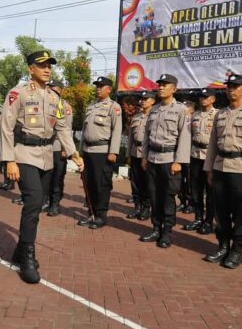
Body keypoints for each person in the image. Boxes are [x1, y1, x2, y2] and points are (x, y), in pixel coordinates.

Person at [0, 50, 84, 284]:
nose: (47, 69)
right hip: (24, 154)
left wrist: (74, 153)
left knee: (35, 206)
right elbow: (6, 128)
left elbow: (62, 128)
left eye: (50, 65)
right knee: (35, 201)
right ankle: (27, 256)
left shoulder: (55, 98)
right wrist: (9, 160)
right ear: (30, 68)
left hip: (47, 156)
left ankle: (19, 249)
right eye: (42, 65)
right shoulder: (18, 93)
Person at [203, 74, 242, 269]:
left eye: (235, 86)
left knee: (240, 212)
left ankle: (236, 250)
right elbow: (213, 143)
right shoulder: (220, 114)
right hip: (221, 166)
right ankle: (222, 245)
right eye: (229, 86)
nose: (231, 89)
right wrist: (209, 168)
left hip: (241, 168)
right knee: (220, 210)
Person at [138, 74, 191, 248]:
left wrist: (179, 161)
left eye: (165, 85)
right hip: (153, 158)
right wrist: (144, 156)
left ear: (174, 89)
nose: (160, 87)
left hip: (170, 160)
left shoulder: (181, 110)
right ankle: (156, 228)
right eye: (159, 85)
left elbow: (185, 137)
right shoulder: (154, 110)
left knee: (168, 197)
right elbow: (146, 136)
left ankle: (167, 232)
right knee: (154, 196)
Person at [77, 76, 122, 229]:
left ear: (109, 89)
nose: (97, 88)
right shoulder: (91, 106)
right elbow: (84, 131)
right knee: (88, 183)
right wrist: (80, 150)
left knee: (101, 184)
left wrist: (113, 151)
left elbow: (117, 130)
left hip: (102, 151)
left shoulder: (113, 107)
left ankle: (101, 216)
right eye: (96, 85)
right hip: (88, 150)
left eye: (101, 86)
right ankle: (91, 213)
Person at [184, 88, 218, 234]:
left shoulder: (218, 115)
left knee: (211, 191)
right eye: (201, 97)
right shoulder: (194, 115)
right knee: (196, 190)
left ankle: (209, 221)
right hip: (195, 155)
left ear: (213, 99)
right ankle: (198, 218)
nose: (203, 99)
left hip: (210, 157)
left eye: (206, 97)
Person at [127, 90, 155, 220]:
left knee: (146, 182)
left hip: (147, 154)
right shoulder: (136, 117)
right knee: (135, 182)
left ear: (152, 101)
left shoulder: (154, 116)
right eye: (142, 99)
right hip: (134, 152)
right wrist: (128, 155)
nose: (142, 101)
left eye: (146, 99)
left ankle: (146, 208)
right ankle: (137, 206)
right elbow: (130, 138)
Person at [47, 80, 73, 217]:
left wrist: (65, 149)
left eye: (54, 89)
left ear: (60, 91)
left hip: (58, 147)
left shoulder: (65, 107)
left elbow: (66, 129)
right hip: (46, 147)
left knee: (57, 178)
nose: (51, 92)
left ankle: (55, 204)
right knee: (47, 177)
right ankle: (47, 201)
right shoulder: (47, 105)